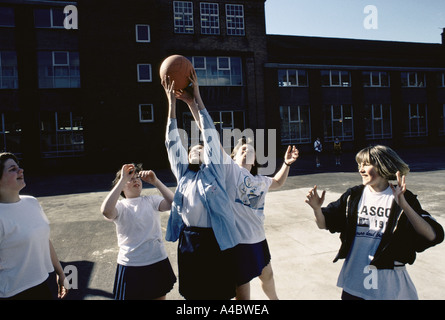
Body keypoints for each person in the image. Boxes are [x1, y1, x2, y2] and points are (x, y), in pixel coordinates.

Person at [179, 73, 299, 300]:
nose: (247, 149)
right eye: (242, 148)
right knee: (242, 293)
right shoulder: (230, 171)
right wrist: (193, 101)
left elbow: (279, 182)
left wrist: (286, 163)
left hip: (258, 239)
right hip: (238, 243)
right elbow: (209, 133)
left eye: (251, 149)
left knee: (268, 277)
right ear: (232, 156)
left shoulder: (260, 180)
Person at [305, 145, 444, 300]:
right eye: (359, 165)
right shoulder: (354, 196)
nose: (361, 170)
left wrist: (404, 206)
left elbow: (433, 236)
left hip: (387, 285)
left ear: (383, 166)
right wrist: (317, 209)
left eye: (366, 165)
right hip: (354, 280)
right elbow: (325, 223)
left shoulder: (402, 197)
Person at [162, 73, 241, 300]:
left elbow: (211, 136)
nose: (196, 150)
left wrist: (196, 97)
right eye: (192, 150)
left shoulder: (214, 173)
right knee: (194, 296)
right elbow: (171, 141)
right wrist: (172, 103)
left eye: (200, 149)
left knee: (220, 295)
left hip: (217, 240)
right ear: (187, 156)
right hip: (190, 241)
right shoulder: (184, 175)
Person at [101, 163, 176, 300]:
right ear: (122, 186)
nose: (136, 180)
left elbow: (174, 203)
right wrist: (123, 179)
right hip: (131, 264)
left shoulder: (151, 200)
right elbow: (106, 211)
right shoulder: (120, 206)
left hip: (156, 259)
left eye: (138, 177)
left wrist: (156, 181)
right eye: (131, 178)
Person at [0, 152, 68, 300]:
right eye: (12, 169)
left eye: (19, 167)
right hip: (12, 293)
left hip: (41, 285)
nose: (20, 171)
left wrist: (60, 273)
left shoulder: (32, 202)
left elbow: (44, 239)